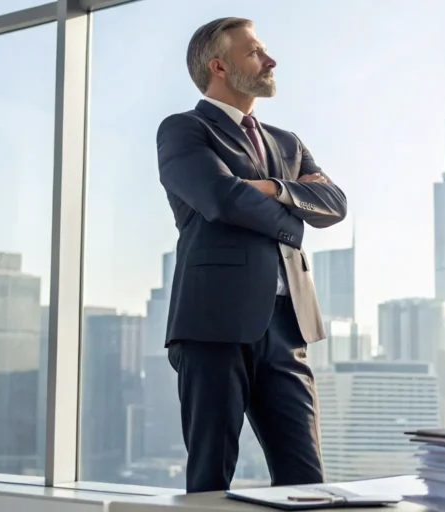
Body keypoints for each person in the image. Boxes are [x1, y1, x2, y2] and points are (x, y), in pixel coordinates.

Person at [156, 17, 348, 493]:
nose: (270, 60)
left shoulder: (288, 142)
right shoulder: (184, 130)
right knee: (210, 478)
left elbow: (336, 204)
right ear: (219, 67)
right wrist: (294, 213)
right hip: (213, 325)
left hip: (287, 327)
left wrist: (269, 187)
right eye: (255, 52)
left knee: (307, 481)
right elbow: (221, 199)